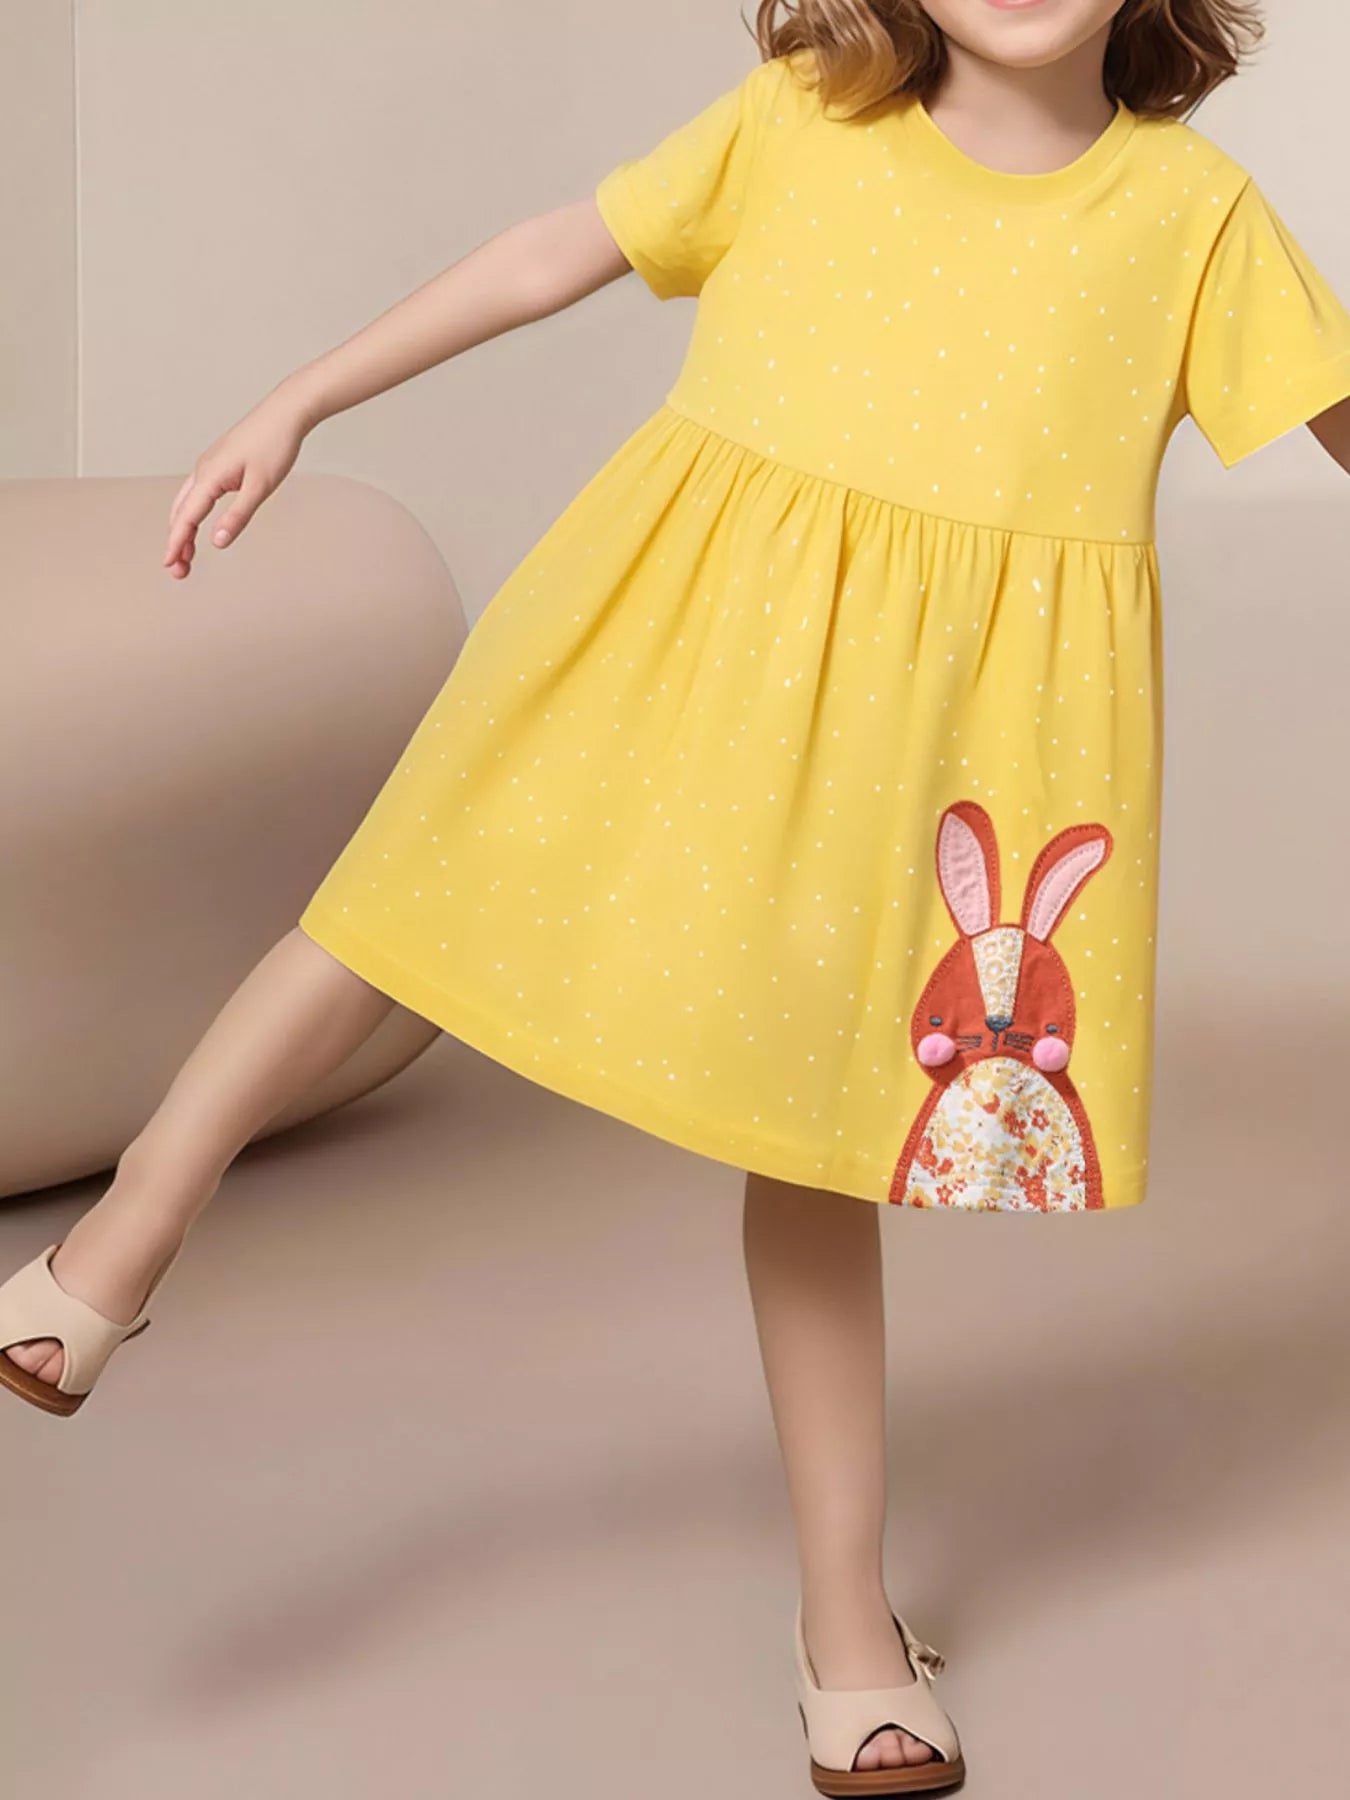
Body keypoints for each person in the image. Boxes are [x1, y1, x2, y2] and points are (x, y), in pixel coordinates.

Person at [4, 1, 1350, 1790]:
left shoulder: (1189, 215)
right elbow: (551, 251)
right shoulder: (802, 120)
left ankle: (845, 1626)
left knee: (819, 1141)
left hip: (934, 751)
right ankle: (111, 1249)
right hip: (673, 637)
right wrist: (301, 396)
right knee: (403, 905)